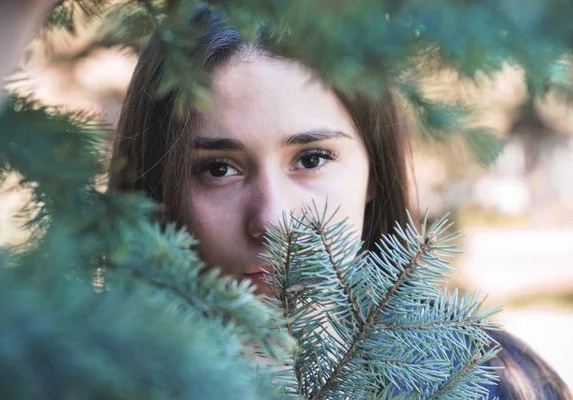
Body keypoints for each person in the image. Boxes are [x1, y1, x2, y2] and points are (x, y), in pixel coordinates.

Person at [109, 6, 572, 399]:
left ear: (374, 170)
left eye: (311, 159)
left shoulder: (492, 382)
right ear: (156, 187)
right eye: (218, 169)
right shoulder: (79, 380)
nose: (274, 220)